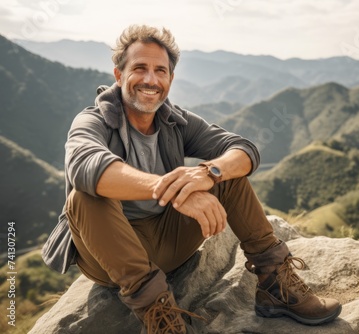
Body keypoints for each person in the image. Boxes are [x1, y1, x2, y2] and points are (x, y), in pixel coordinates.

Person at [42, 24, 342, 333]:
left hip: (171, 241)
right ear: (119, 76)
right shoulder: (93, 121)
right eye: (139, 68)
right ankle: (161, 317)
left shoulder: (176, 121)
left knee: (225, 174)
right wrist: (174, 190)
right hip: (111, 255)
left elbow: (245, 150)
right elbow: (85, 166)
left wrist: (207, 174)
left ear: (170, 79)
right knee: (84, 196)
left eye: (161, 71)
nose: (150, 79)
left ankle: (275, 285)